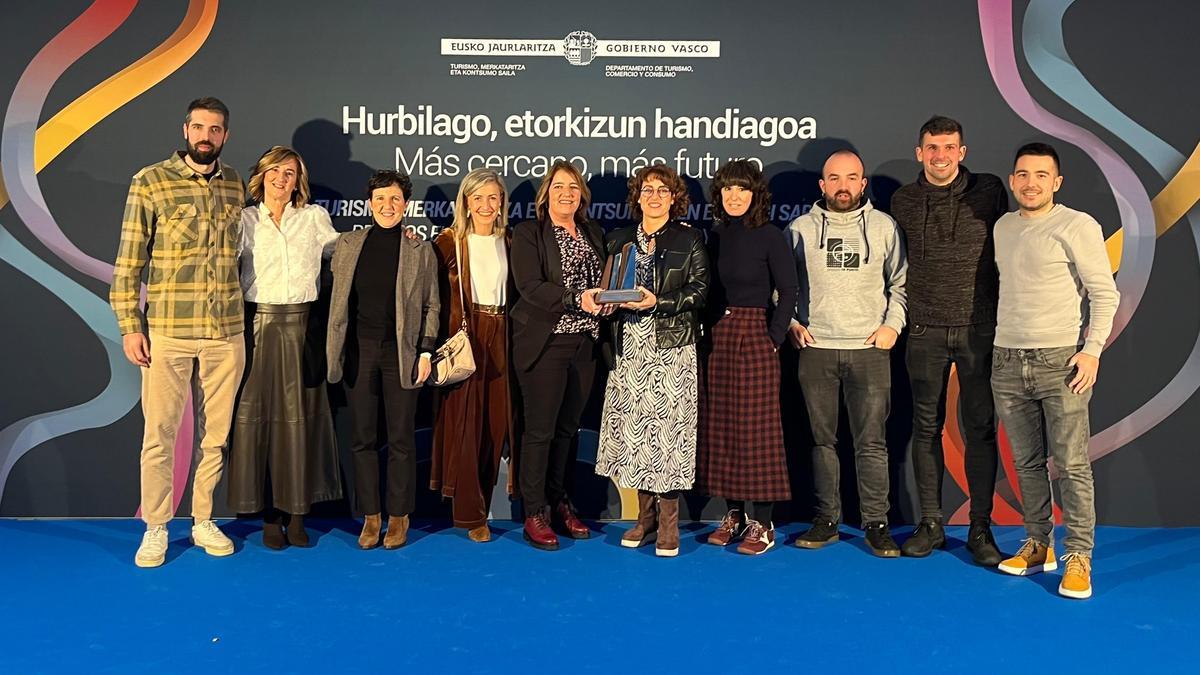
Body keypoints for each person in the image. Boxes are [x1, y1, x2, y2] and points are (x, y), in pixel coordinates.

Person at [110, 97, 246, 568]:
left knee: (216, 437)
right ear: (185, 129)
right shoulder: (150, 181)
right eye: (199, 127)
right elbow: (128, 264)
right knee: (159, 434)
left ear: (225, 135)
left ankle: (203, 519)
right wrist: (130, 326)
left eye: (216, 129)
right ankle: (156, 527)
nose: (206, 135)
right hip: (168, 331)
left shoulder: (235, 185)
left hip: (226, 332)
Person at [992, 142, 1119, 599]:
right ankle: (1037, 544)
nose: (1031, 183)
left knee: (1071, 464)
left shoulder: (1077, 225)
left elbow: (1104, 293)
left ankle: (1079, 556)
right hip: (1006, 359)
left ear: (1056, 182)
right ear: (1012, 180)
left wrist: (1092, 350)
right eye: (1023, 174)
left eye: (1041, 175)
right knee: (1025, 462)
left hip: (1061, 361)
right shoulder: (1003, 227)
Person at [889, 116, 1008, 564]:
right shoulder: (902, 199)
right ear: (920, 153)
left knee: (980, 429)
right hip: (924, 330)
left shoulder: (991, 190)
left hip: (980, 328)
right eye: (932, 148)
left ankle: (980, 528)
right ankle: (932, 524)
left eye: (949, 147)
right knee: (925, 428)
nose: (941, 156)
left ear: (963, 152)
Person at [789, 150, 908, 558]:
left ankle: (876, 523)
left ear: (862, 184)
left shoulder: (883, 227)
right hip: (817, 349)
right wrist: (790, 321)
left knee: (872, 442)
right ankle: (827, 519)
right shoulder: (801, 229)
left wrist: (893, 324)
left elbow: (901, 284)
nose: (843, 186)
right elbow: (782, 286)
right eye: (834, 178)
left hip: (869, 350)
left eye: (851, 178)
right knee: (822, 441)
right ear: (822, 186)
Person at [226, 146, 342, 550]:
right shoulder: (243, 220)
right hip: (256, 328)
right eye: (275, 171)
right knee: (261, 425)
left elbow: (344, 253)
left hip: (303, 329)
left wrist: (396, 238)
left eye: (290, 173)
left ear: (299, 180)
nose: (282, 179)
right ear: (261, 176)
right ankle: (269, 516)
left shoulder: (313, 219)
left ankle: (297, 515)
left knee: (301, 424)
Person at [594, 164, 709, 557]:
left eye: (663, 190)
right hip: (628, 347)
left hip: (671, 347)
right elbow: (609, 288)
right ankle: (644, 518)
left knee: (669, 438)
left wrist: (658, 301)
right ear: (637, 196)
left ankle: (668, 524)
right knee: (636, 435)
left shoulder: (690, 239)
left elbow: (700, 291)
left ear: (674, 198)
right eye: (647, 190)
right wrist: (605, 305)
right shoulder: (619, 239)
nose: (655, 196)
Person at [326, 170, 439, 550]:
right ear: (369, 203)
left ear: (405, 204)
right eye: (380, 199)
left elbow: (432, 306)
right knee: (361, 438)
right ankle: (371, 516)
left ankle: (399, 516)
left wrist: (426, 350)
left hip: (401, 353)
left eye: (394, 199)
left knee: (401, 439)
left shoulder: (420, 250)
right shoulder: (348, 244)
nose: (387, 206)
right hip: (359, 352)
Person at [696, 159, 799, 555]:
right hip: (720, 337)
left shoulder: (770, 236)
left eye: (742, 189)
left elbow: (788, 291)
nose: (734, 197)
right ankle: (733, 515)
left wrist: (772, 338)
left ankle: (763, 523)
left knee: (757, 431)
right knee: (722, 428)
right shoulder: (716, 235)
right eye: (727, 190)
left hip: (757, 334)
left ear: (755, 194)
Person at [510, 160, 605, 551]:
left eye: (573, 187)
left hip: (585, 344)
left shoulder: (592, 231)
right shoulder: (529, 232)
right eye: (558, 186)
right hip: (546, 344)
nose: (566, 193)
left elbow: (605, 281)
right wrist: (573, 299)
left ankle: (559, 501)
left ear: (581, 194)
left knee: (568, 431)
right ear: (546, 194)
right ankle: (534, 512)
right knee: (540, 432)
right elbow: (530, 286)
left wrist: (609, 299)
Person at [430, 168, 518, 543]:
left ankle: (487, 499)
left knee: (496, 425)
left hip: (505, 335)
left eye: (493, 197)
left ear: (501, 203)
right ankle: (469, 514)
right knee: (467, 425)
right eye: (477, 198)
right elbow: (431, 297)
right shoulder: (449, 242)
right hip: (467, 337)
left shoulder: (511, 241)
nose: (485, 205)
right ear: (465, 202)